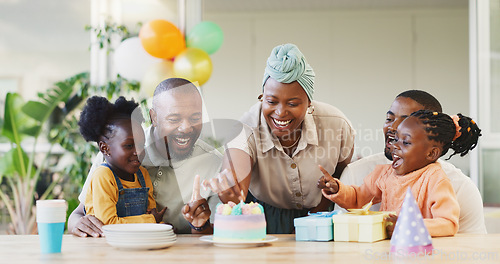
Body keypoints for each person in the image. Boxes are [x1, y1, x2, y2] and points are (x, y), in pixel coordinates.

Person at [204, 43, 356, 234]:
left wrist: (317, 216)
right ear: (262, 97)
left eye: (292, 103)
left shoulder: (337, 125)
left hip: (320, 216)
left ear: (309, 102)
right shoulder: (245, 129)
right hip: (263, 218)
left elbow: (341, 178)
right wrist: (232, 193)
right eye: (271, 101)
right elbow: (235, 181)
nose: (280, 113)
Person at [68, 78, 222, 236]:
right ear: (153, 117)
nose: (186, 128)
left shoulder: (213, 164)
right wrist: (77, 224)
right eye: (174, 119)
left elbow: (216, 235)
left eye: (195, 118)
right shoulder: (115, 150)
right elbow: (78, 214)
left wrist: (200, 226)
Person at [335, 90, 487, 234]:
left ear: (432, 151)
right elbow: (357, 199)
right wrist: (338, 190)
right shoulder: (369, 173)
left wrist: (409, 226)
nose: (394, 127)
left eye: (406, 139)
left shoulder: (453, 185)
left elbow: (454, 231)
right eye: (389, 119)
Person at [78, 96, 165, 224]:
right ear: (105, 148)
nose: (138, 151)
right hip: (103, 243)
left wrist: (163, 227)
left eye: (142, 145)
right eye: (129, 145)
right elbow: (108, 223)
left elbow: (152, 215)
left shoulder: (143, 175)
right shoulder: (103, 176)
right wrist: (150, 220)